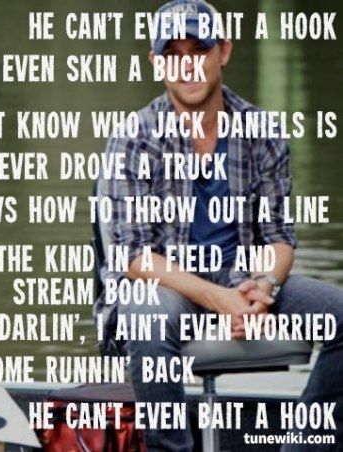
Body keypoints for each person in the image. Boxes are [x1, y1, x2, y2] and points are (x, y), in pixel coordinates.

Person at [94, 0, 343, 450]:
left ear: (223, 52)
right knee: (148, 319)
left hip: (242, 281)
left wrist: (265, 285)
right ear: (156, 63)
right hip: (165, 288)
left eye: (199, 50)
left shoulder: (262, 131)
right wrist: (221, 300)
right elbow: (133, 258)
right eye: (173, 54)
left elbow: (279, 237)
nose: (187, 65)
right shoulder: (132, 139)